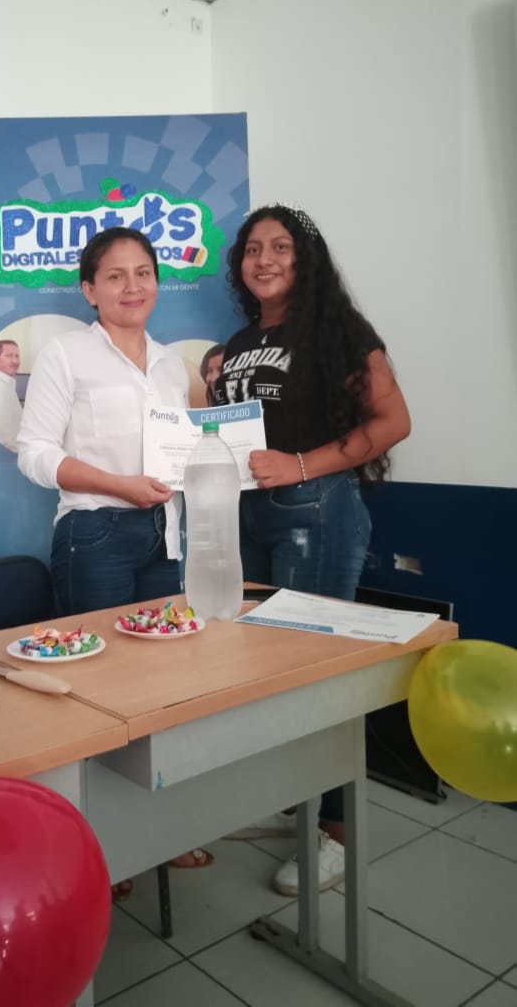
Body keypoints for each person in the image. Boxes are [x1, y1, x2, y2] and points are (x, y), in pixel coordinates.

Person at [214, 204, 410, 896]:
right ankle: (300, 799)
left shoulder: (338, 330)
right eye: (252, 249)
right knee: (270, 669)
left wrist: (299, 465)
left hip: (316, 512)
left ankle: (335, 832)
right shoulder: (240, 341)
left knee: (317, 673)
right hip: (249, 517)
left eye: (280, 247)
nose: (264, 259)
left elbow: (394, 420)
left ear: (306, 259)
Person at [17, 226, 214, 893]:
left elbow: (182, 453)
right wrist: (119, 486)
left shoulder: (171, 365)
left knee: (159, 686)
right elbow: (34, 454)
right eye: (115, 275)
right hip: (95, 533)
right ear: (89, 290)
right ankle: (95, 845)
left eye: (144, 273)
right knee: (97, 696)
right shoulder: (66, 355)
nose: (133, 286)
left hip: (164, 535)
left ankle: (154, 834)